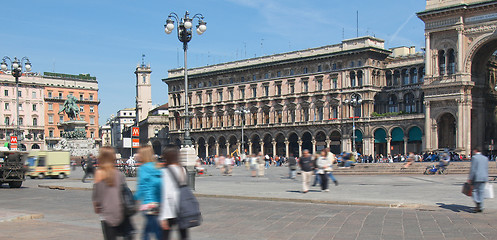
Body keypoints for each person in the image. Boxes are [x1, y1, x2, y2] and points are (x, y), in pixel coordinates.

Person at [92, 146, 134, 240]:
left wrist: (96, 207)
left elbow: (97, 197)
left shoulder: (99, 174)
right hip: (120, 213)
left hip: (106, 215)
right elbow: (125, 193)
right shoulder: (119, 174)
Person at [159, 146, 189, 240]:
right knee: (183, 236)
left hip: (170, 210)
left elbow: (166, 194)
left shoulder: (165, 172)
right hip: (182, 207)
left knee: (165, 236)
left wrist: (163, 217)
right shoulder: (182, 170)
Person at [134, 146, 162, 240]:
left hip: (148, 204)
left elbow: (142, 186)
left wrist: (135, 198)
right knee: (149, 230)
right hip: (158, 203)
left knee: (153, 231)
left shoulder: (143, 168)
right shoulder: (158, 167)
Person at [468, 147, 489, 213]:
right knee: (481, 192)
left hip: (476, 177)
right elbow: (486, 168)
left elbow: (473, 169)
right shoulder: (485, 158)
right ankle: (481, 206)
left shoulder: (474, 158)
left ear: (475, 150)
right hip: (484, 177)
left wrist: (470, 178)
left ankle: (478, 203)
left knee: (474, 191)